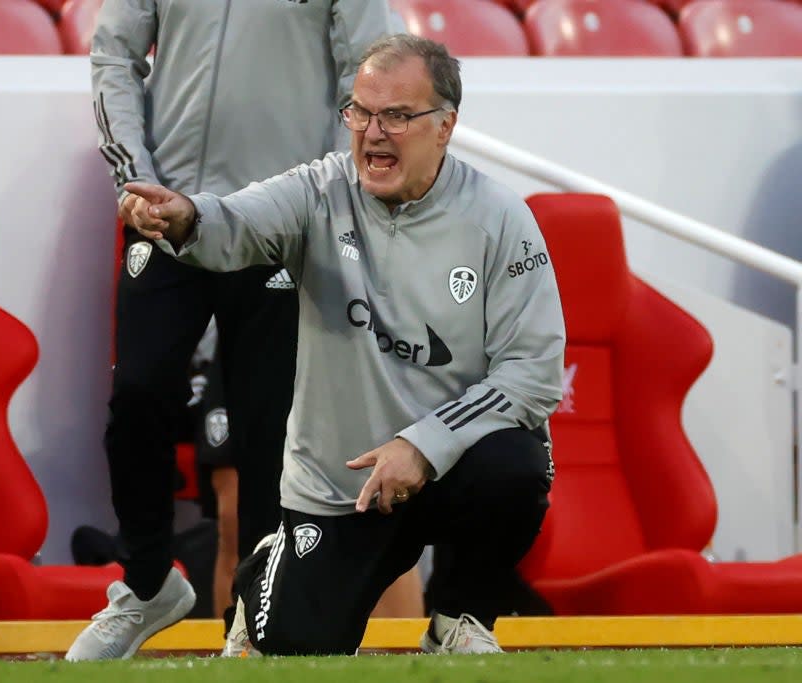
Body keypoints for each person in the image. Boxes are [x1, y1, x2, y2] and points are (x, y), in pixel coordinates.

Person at [121, 34, 565, 656]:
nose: (373, 131)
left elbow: (534, 374)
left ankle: (461, 616)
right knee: (293, 652)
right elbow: (238, 222)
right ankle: (265, 575)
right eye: (360, 110)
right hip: (341, 486)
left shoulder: (500, 218)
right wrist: (187, 216)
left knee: (519, 465)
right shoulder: (317, 192)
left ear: (445, 126)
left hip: (448, 468)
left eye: (397, 115)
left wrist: (422, 445)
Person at [65, 0, 392, 661]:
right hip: (167, 210)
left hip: (277, 218)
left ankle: (255, 607)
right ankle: (147, 582)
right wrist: (135, 176)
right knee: (137, 393)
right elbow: (114, 55)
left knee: (270, 425)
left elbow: (369, 77)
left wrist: (324, 200)